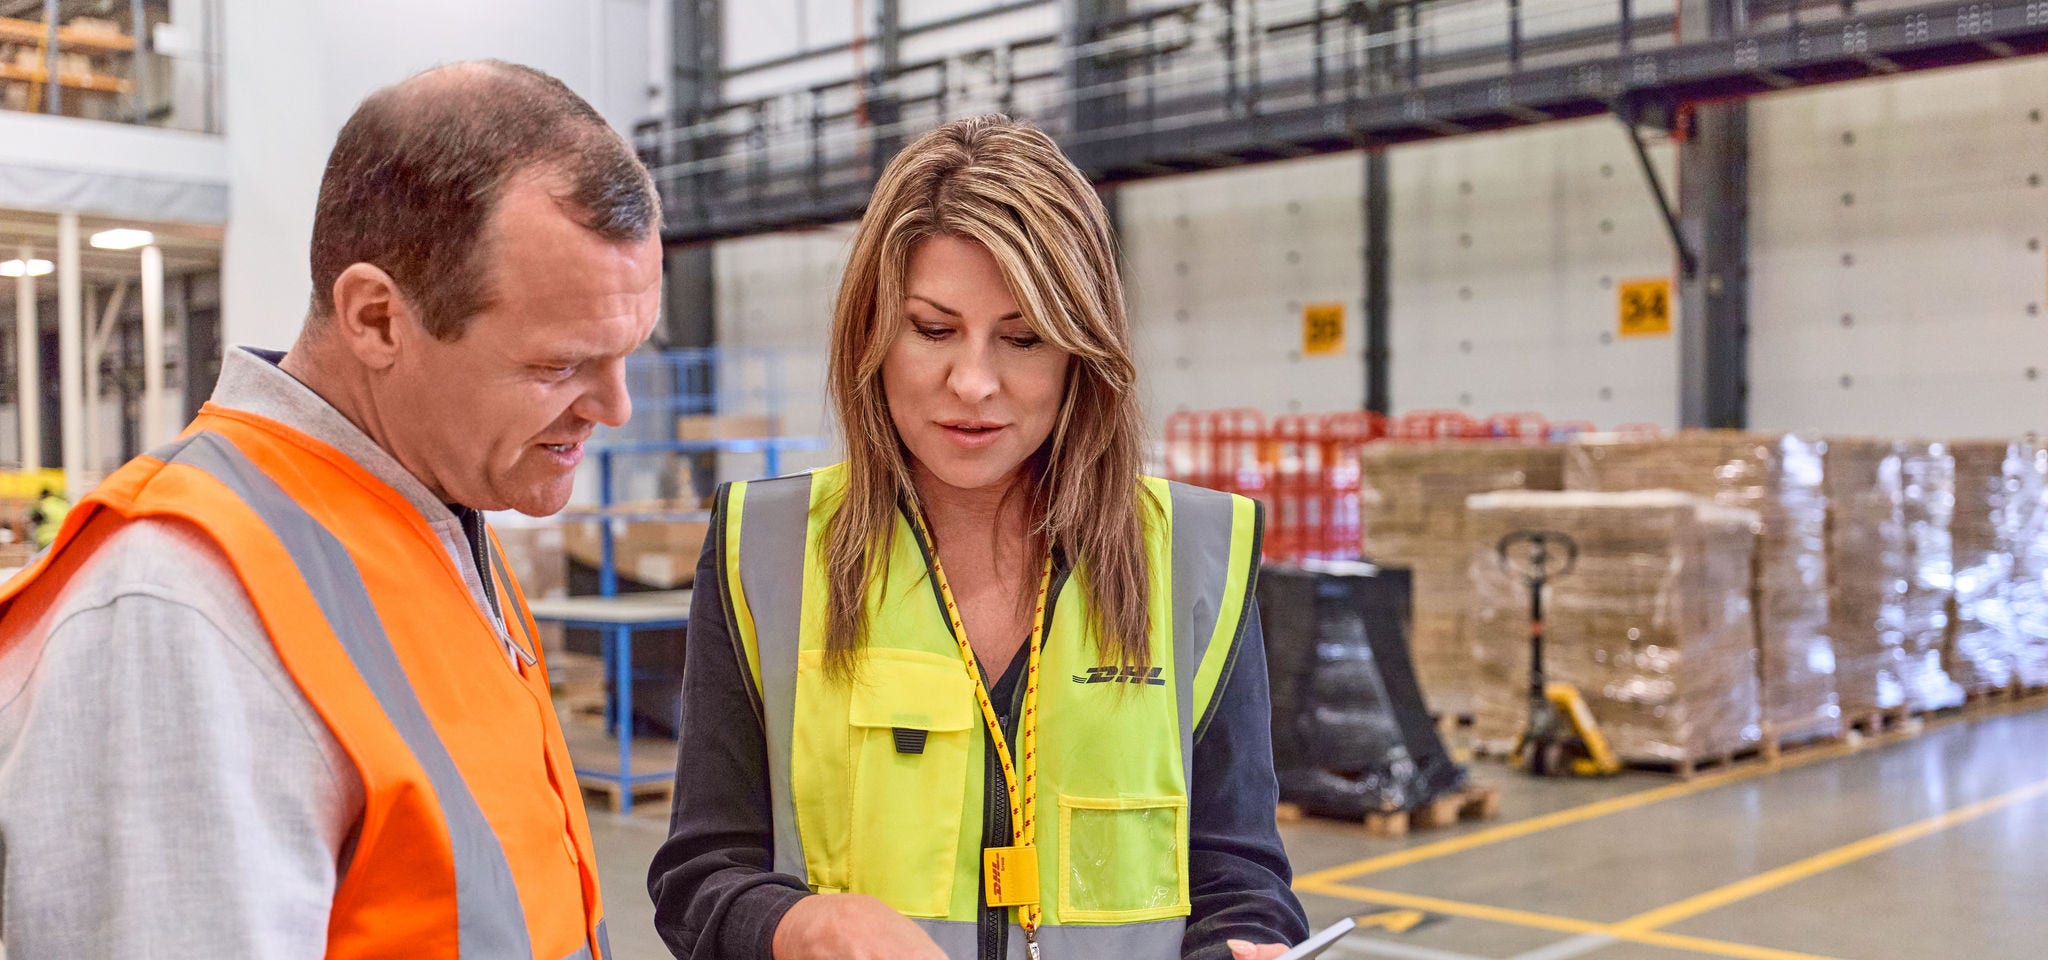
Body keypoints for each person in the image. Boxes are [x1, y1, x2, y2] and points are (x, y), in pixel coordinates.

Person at [0, 61, 660, 959]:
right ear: (378, 319)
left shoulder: (432, 513)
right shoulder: (182, 601)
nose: (615, 407)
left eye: (626, 354)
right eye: (557, 366)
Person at [648, 116, 1309, 960]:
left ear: (1082, 351)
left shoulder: (1193, 556)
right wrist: (802, 926)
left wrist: (1245, 945)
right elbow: (699, 876)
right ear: (872, 333)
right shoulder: (766, 548)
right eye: (932, 330)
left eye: (1023, 337)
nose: (973, 382)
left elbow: (1238, 878)